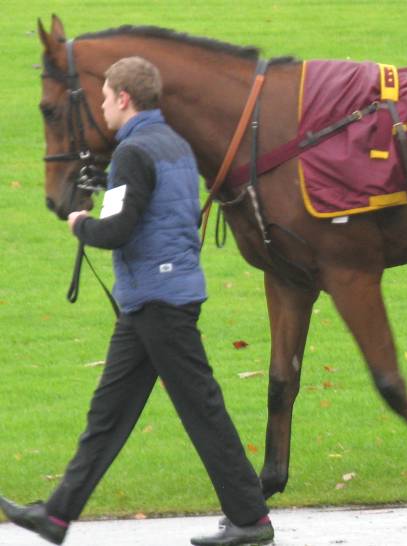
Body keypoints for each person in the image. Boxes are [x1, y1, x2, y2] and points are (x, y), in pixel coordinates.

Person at [0, 56, 273, 546]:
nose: (103, 107)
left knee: (202, 410)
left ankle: (251, 520)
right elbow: (153, 211)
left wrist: (81, 224)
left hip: (158, 301)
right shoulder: (174, 145)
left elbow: (118, 230)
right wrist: (106, 191)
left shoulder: (132, 152)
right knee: (108, 414)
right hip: (160, 297)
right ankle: (56, 516)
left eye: (106, 98)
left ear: (124, 98)